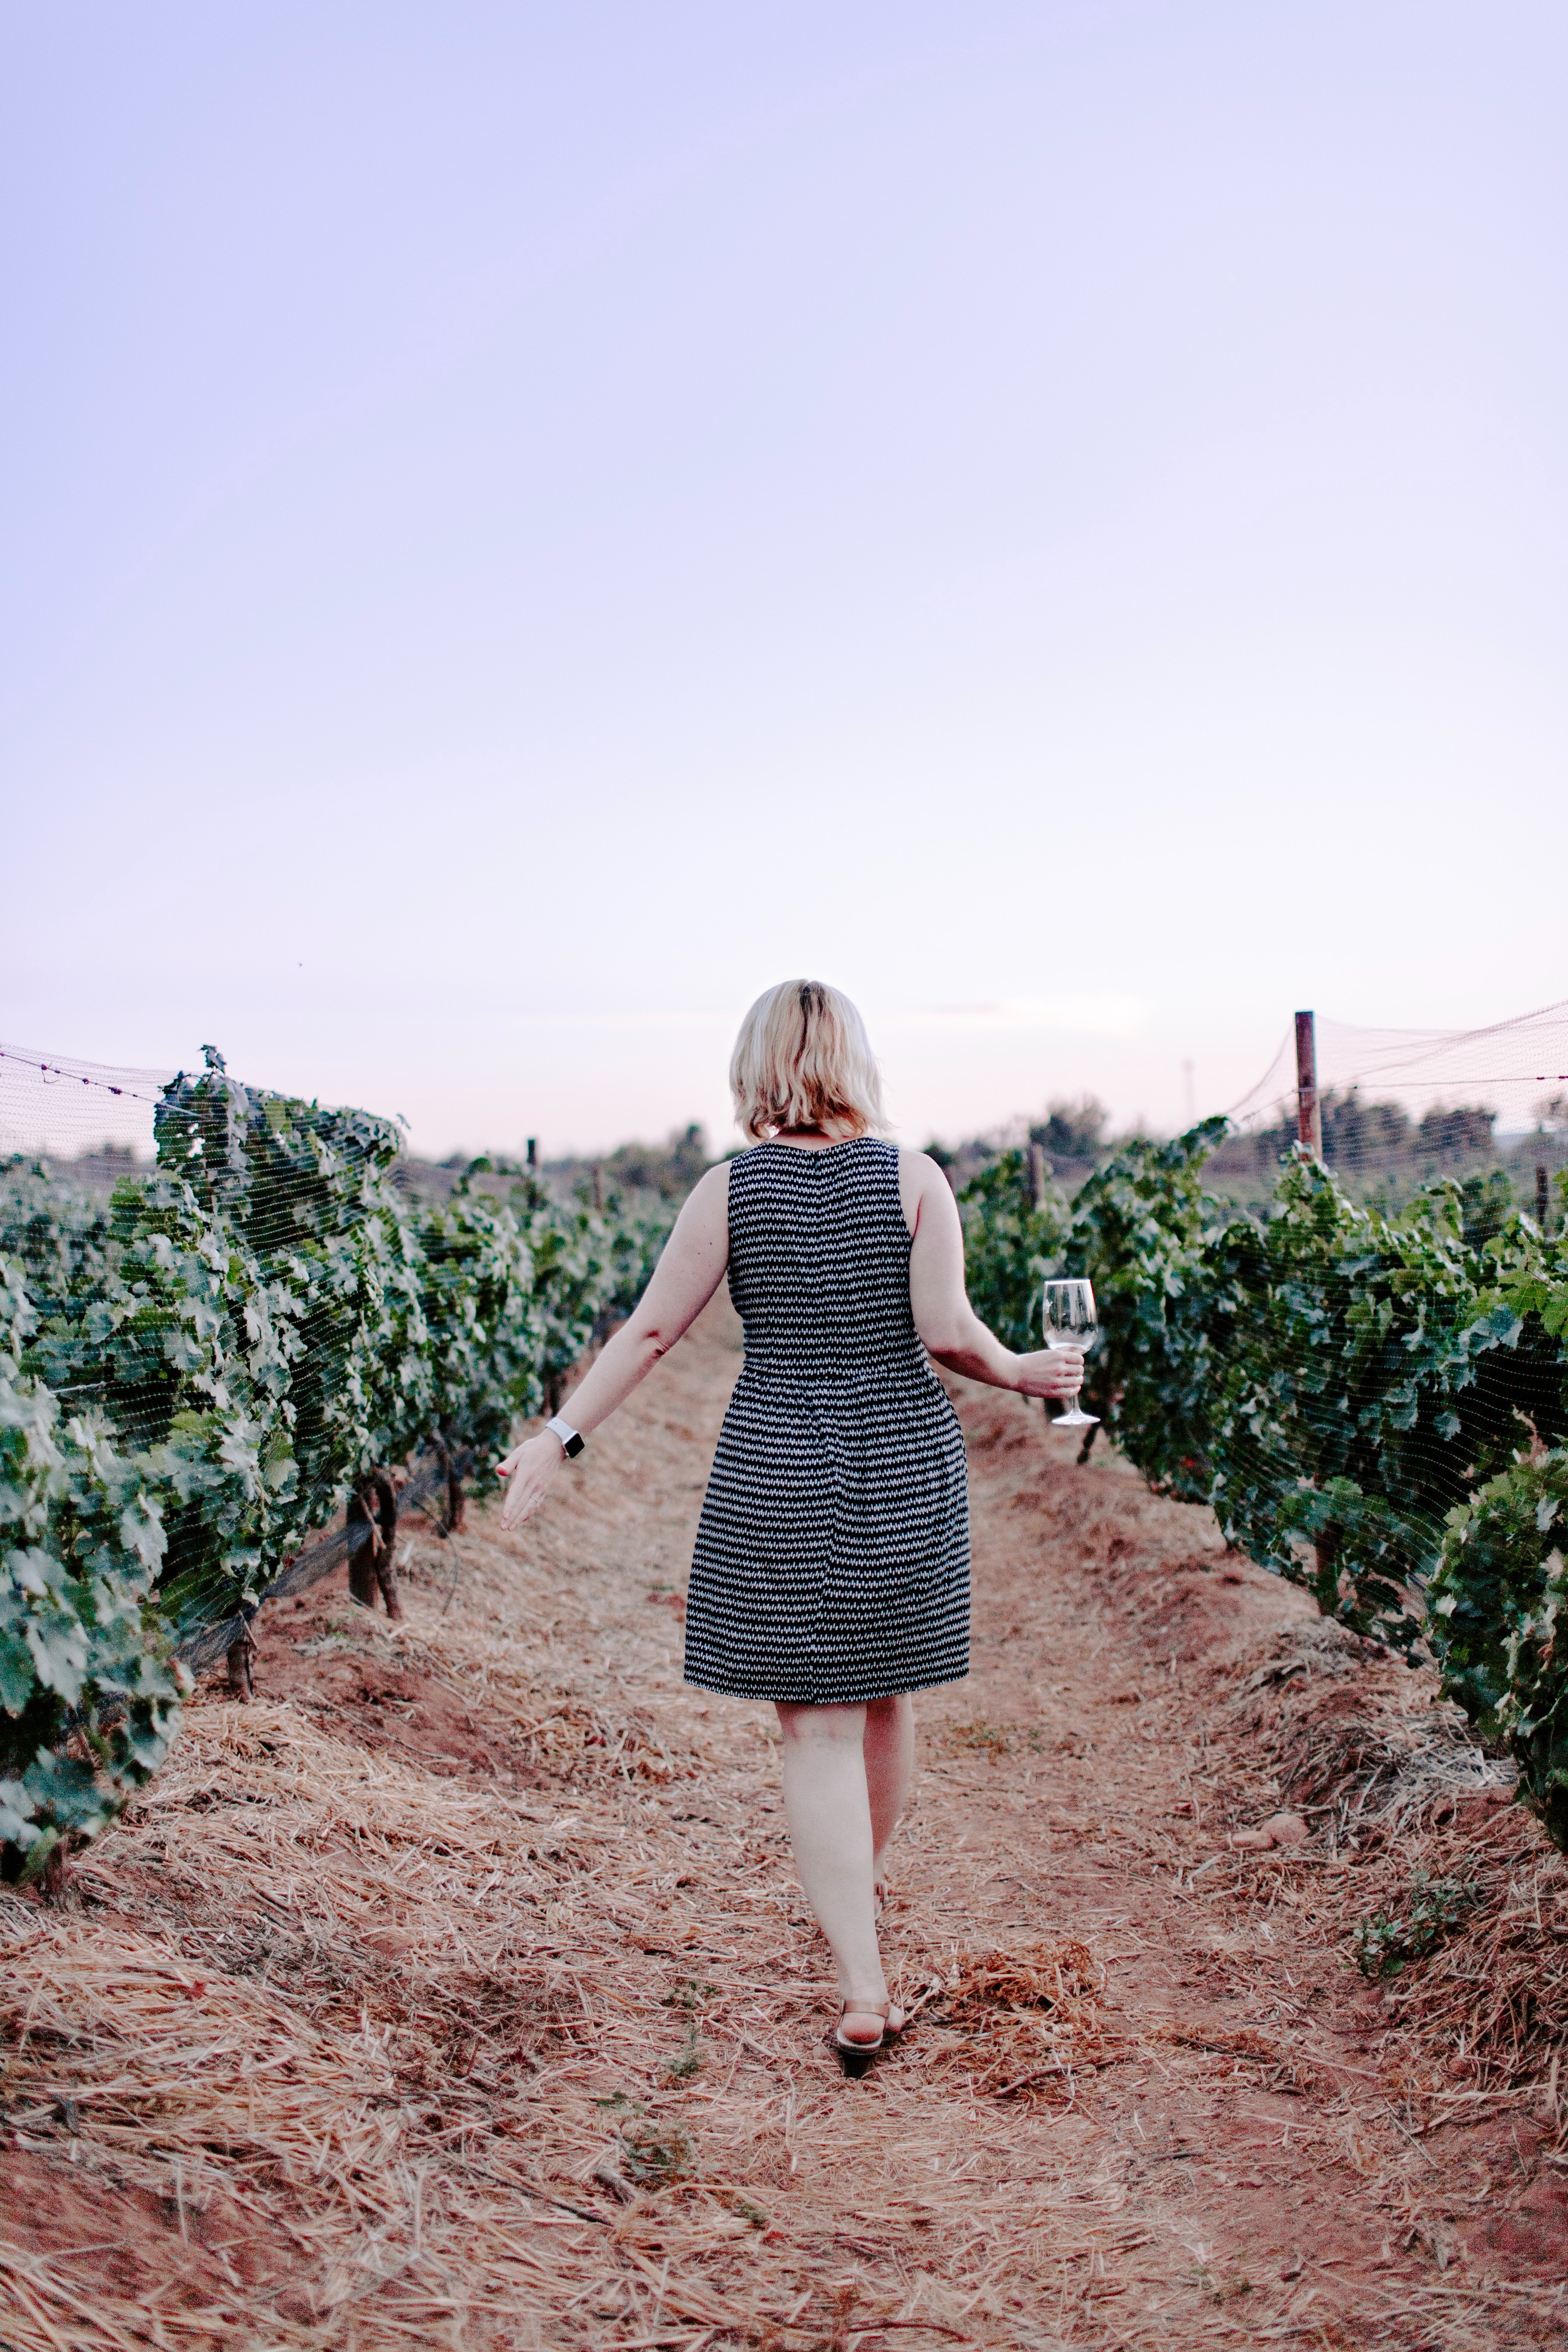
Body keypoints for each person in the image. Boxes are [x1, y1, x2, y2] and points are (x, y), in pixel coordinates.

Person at [497, 980, 1083, 2072]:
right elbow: (946, 1330)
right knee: (885, 1694)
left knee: (814, 1728)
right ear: (856, 1063)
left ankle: (862, 1980)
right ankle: (852, 1904)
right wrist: (1020, 1372)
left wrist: (557, 1437)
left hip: (780, 1461)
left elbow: (655, 1331)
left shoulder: (727, 1191)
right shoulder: (915, 1178)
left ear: (755, 1064)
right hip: (905, 1456)